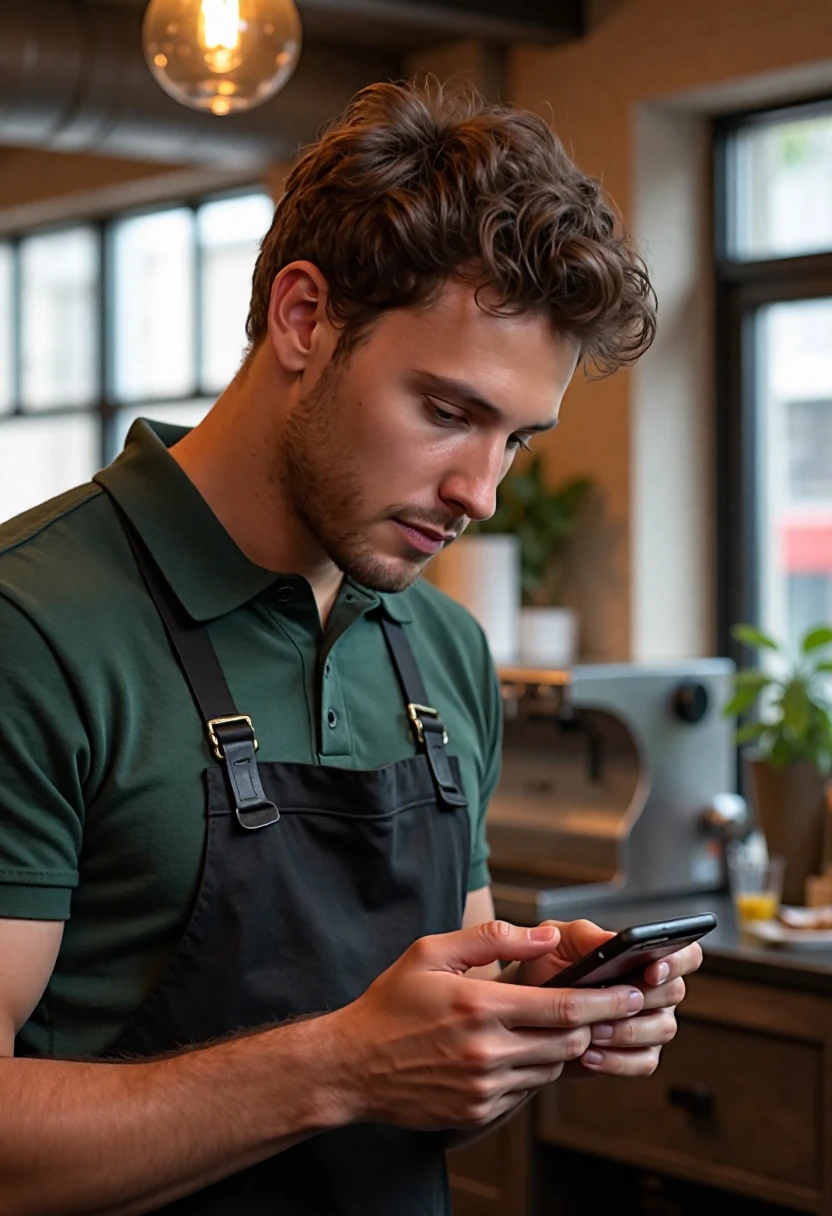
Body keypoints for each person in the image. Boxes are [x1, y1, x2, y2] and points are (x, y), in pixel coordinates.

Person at [0, 78, 700, 1215]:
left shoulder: (442, 649)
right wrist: (340, 1065)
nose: (480, 490)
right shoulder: (32, 628)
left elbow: (428, 1087)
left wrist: (529, 1026)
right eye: (445, 410)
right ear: (303, 317)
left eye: (515, 438)